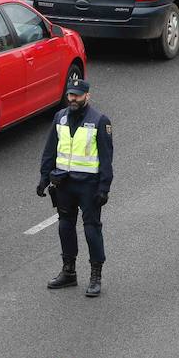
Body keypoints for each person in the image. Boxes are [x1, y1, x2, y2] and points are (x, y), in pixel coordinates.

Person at [37, 77, 113, 298]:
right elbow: (50, 150)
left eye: (77, 96)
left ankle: (95, 276)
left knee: (91, 229)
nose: (72, 99)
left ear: (87, 96)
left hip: (89, 185)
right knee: (65, 226)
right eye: (70, 95)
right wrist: (43, 178)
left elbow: (107, 158)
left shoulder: (100, 121)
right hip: (64, 183)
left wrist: (104, 188)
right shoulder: (59, 118)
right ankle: (69, 272)